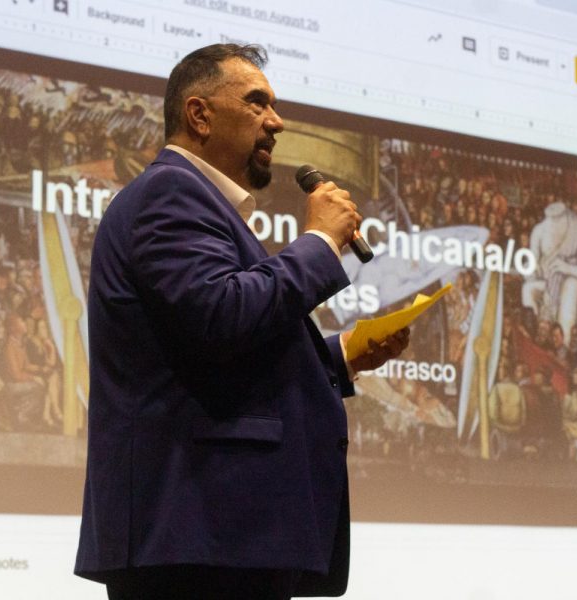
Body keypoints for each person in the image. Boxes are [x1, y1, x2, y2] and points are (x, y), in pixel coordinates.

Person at [74, 44, 410, 599]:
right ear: (199, 115)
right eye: (257, 103)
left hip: (217, 537)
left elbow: (212, 355)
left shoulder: (197, 204)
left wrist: (341, 354)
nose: (276, 122)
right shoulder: (170, 193)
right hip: (194, 533)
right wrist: (321, 241)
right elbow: (222, 316)